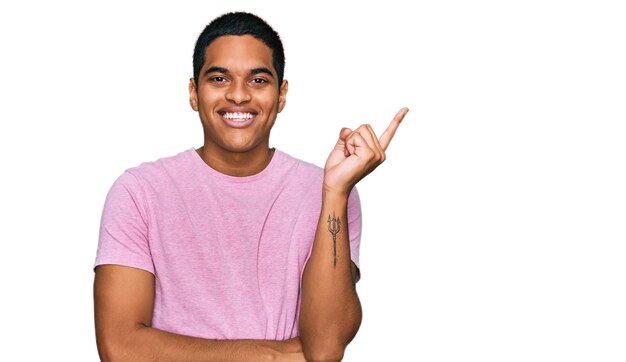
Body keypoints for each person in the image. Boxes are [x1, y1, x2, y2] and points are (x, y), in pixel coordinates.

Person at [93, 11, 408, 361]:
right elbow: (120, 348)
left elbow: (325, 348)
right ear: (194, 93)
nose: (239, 96)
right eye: (219, 78)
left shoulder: (331, 192)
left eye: (258, 80)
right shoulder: (139, 192)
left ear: (282, 94)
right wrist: (278, 355)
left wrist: (335, 193)